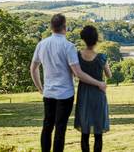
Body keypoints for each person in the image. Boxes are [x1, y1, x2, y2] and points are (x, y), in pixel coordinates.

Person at [30, 14, 106, 152]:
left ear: (51, 27)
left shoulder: (41, 44)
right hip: (65, 94)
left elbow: (33, 68)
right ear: (64, 27)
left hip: (48, 93)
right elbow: (78, 73)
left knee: (47, 127)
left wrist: (40, 88)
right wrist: (99, 83)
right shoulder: (68, 46)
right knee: (60, 129)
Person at [74, 25, 112, 152]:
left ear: (83, 39)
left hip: (83, 94)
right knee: (98, 131)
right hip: (98, 95)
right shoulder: (101, 57)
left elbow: (75, 73)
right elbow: (109, 75)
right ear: (96, 40)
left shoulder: (77, 56)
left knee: (84, 132)